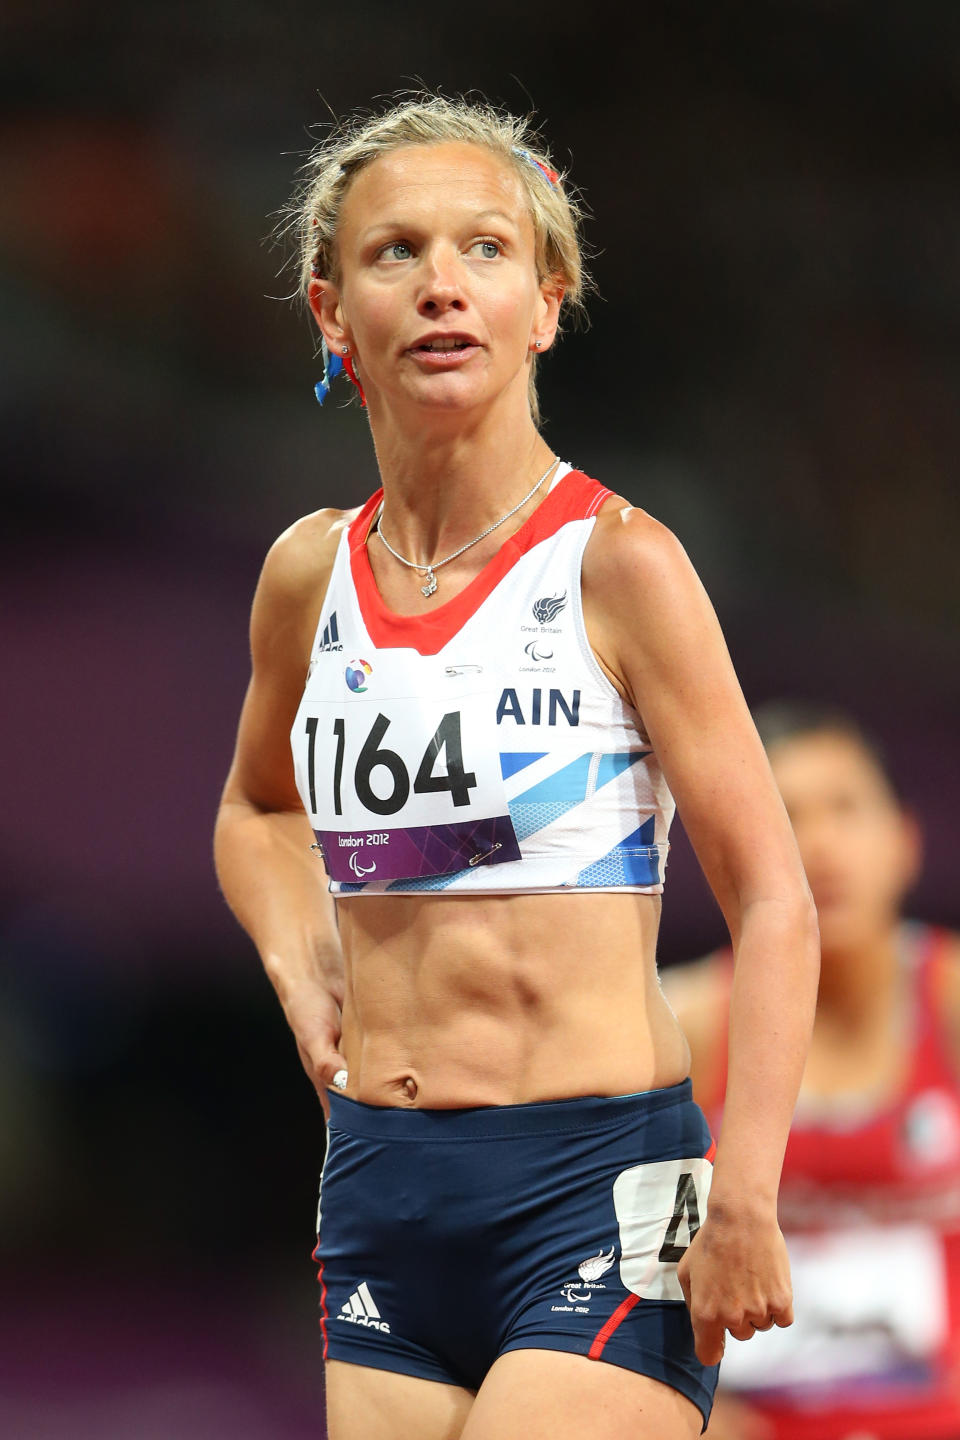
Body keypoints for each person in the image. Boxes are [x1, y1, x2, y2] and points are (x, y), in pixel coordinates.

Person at [213, 95, 819, 1440]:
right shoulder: (306, 576)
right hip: (381, 1186)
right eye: (396, 253)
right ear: (330, 312)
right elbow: (256, 808)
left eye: (484, 250)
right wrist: (292, 955)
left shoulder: (622, 565)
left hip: (598, 1185)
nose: (441, 286)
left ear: (546, 302)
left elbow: (776, 897)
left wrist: (754, 1194)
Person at [665, 703, 960, 1440]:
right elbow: (627, 1269)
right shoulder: (684, 1025)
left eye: (846, 810)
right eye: (789, 817)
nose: (821, 846)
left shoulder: (951, 1004)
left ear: (906, 842)